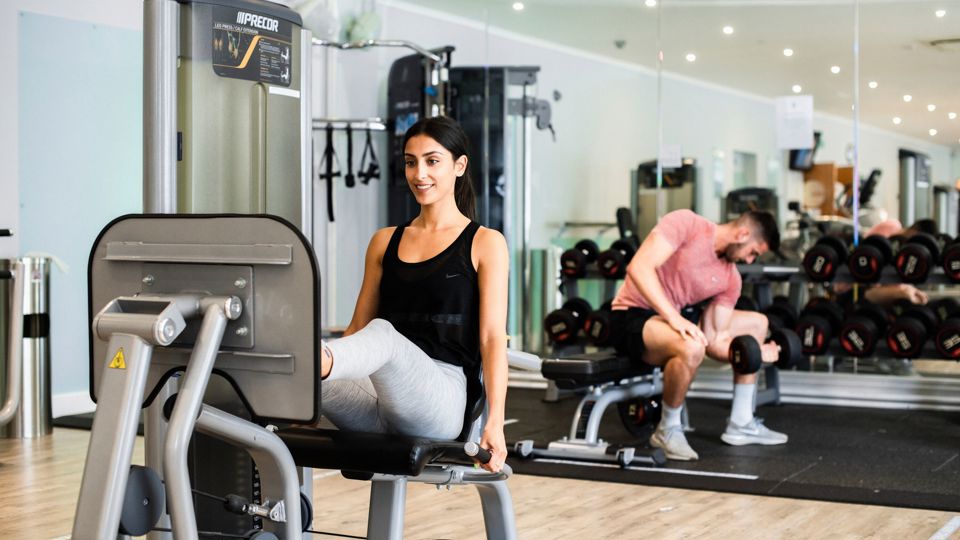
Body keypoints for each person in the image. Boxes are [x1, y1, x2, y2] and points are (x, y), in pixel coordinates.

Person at [316, 116, 509, 473]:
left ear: (459, 166)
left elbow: (492, 338)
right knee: (310, 378)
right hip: (379, 401)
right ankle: (302, 367)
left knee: (382, 334)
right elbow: (356, 329)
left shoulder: (485, 243)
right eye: (410, 162)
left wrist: (494, 423)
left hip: (441, 400)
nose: (419, 174)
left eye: (432, 161)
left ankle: (316, 359)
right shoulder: (384, 241)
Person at [610, 209, 784, 461]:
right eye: (753, 252)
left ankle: (741, 422)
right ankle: (667, 430)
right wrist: (673, 317)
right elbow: (639, 267)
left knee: (757, 323)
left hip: (673, 321)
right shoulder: (687, 224)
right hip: (632, 316)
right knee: (691, 346)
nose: (749, 261)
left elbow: (715, 342)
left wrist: (754, 354)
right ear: (743, 234)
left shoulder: (730, 279)